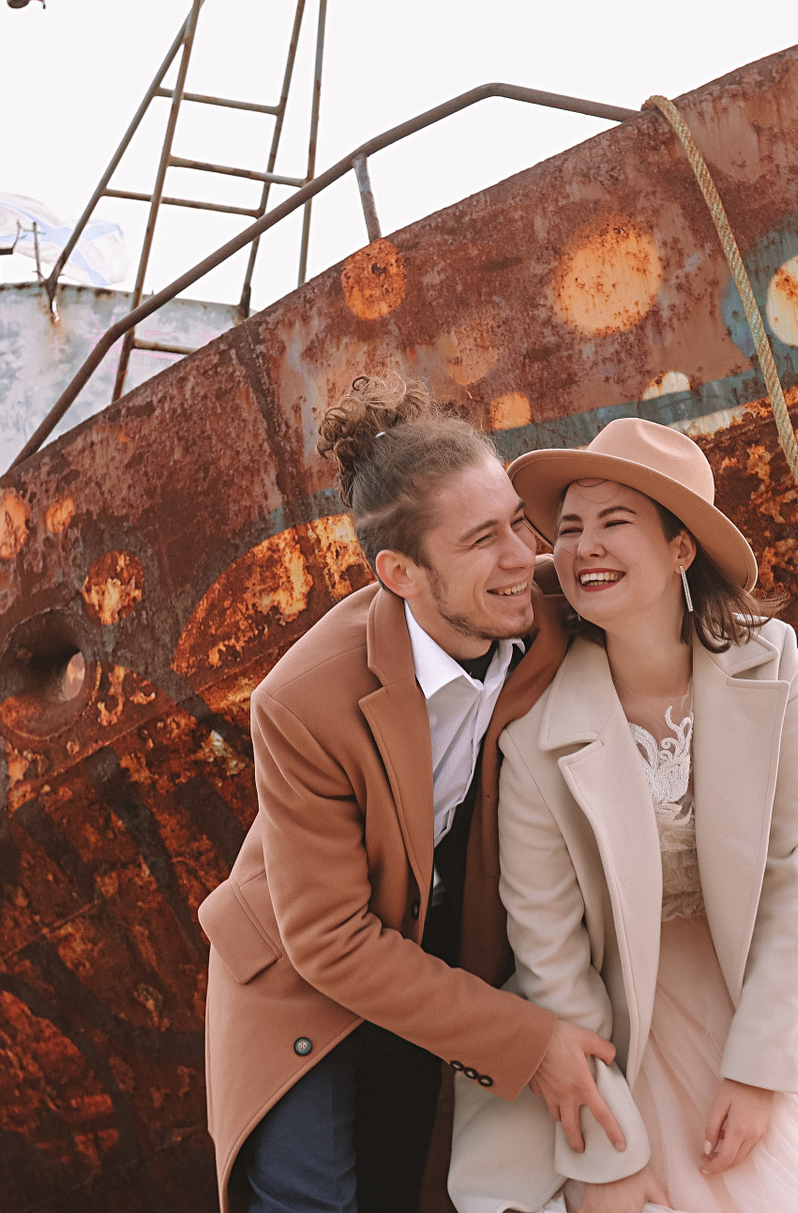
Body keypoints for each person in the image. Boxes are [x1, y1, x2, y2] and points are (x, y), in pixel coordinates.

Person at [449, 418, 798, 1213]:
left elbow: (786, 881)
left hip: (756, 1003)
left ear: (680, 549)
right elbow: (551, 957)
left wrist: (761, 1072)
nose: (585, 547)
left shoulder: (771, 662)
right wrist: (608, 1145)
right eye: (570, 528)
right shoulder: (535, 742)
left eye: (614, 522)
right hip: (623, 1033)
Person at [199, 376, 639, 1213]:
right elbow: (329, 939)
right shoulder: (301, 702)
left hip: (422, 962)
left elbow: (690, 619)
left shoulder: (546, 601)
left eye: (517, 522)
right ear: (400, 572)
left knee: (388, 1194)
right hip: (297, 971)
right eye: (482, 540)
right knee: (310, 1202)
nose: (521, 556)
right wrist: (531, 1042)